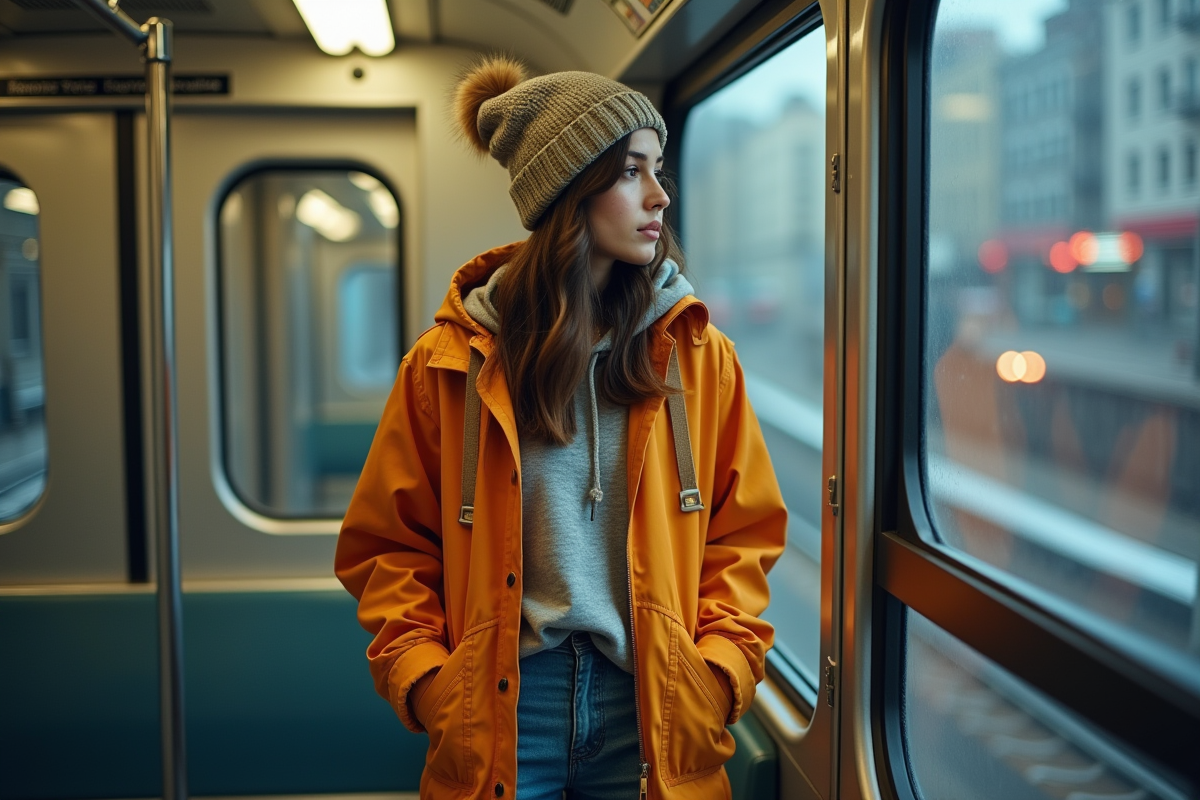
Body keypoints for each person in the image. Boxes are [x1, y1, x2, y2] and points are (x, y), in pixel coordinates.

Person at [335, 55, 787, 800]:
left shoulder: (700, 358)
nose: (659, 196)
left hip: (652, 702)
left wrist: (718, 670)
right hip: (505, 703)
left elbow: (744, 535)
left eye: (660, 170)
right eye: (631, 172)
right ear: (570, 191)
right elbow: (387, 544)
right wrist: (425, 682)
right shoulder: (446, 365)